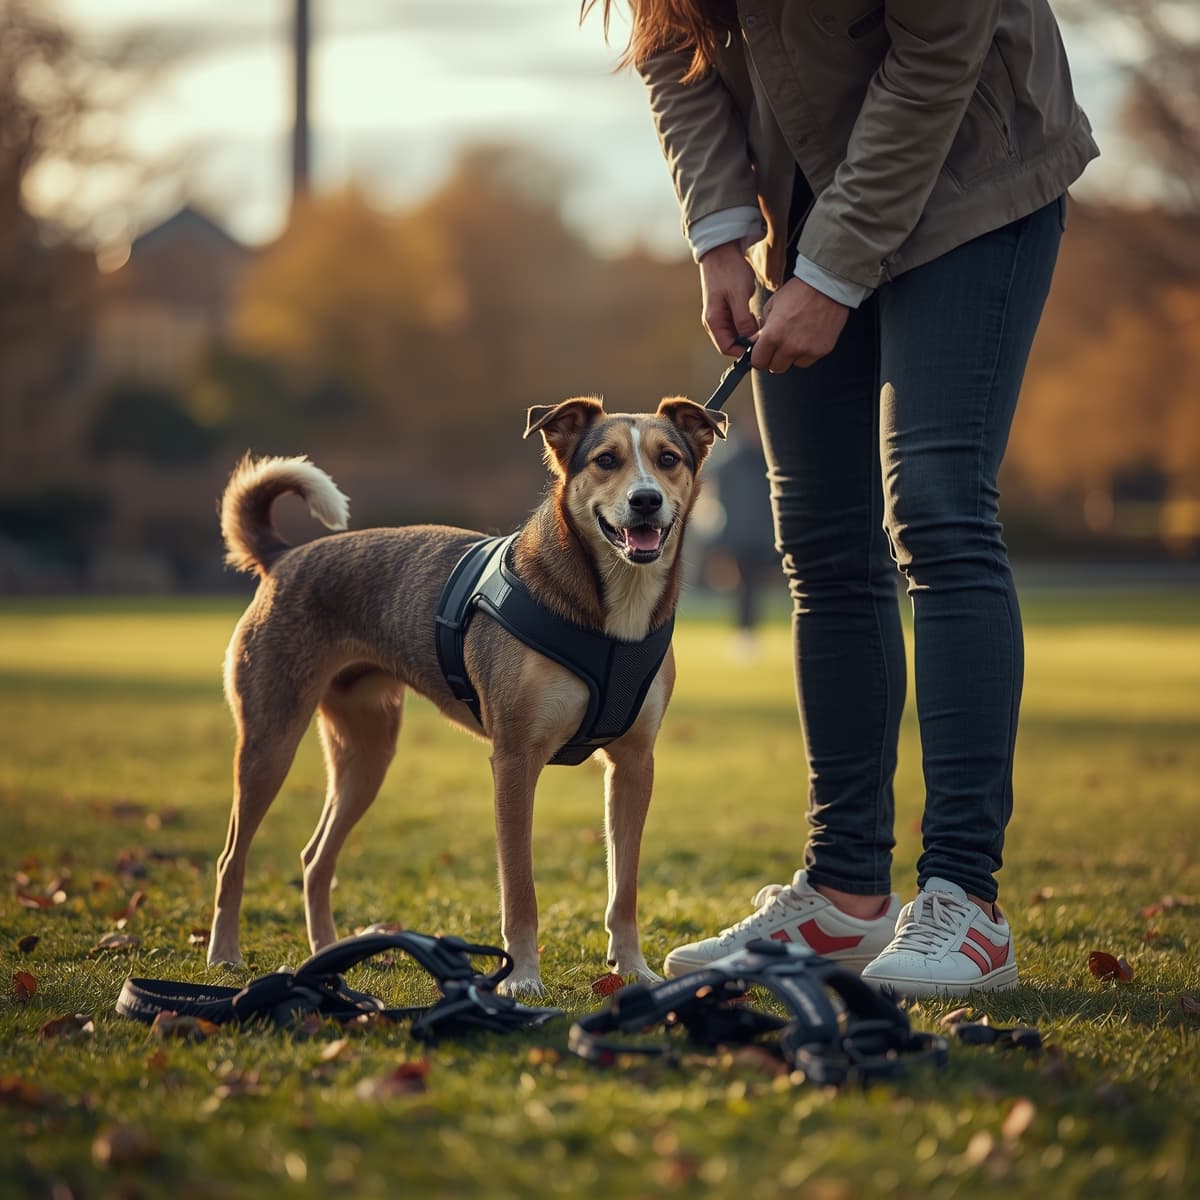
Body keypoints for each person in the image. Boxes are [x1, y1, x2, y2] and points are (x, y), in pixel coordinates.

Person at [585, 0, 1098, 996]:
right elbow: (669, 50)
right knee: (820, 543)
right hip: (805, 191)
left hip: (971, 176)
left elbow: (938, 54)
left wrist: (830, 272)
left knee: (940, 510)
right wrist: (724, 237)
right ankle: (845, 897)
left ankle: (966, 902)